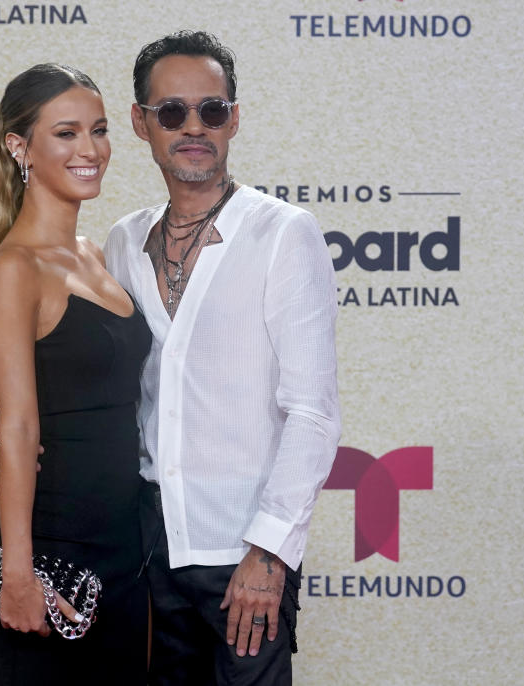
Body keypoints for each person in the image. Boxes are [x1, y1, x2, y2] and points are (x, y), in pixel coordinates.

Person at [103, 31, 342, 685]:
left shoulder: (282, 233)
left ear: (233, 118)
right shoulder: (123, 240)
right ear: (139, 122)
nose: (194, 127)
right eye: (172, 111)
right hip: (149, 551)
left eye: (212, 110)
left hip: (244, 556)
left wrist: (269, 553)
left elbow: (313, 413)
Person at [0, 63, 150, 685]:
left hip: (125, 545)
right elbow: (17, 428)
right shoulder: (15, 269)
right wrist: (17, 573)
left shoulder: (96, 256)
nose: (91, 150)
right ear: (19, 147)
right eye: (66, 133)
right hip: (51, 548)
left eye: (98, 131)